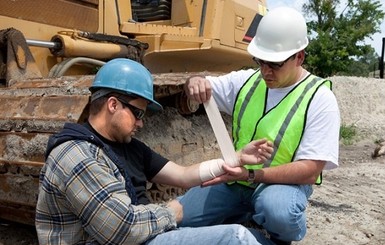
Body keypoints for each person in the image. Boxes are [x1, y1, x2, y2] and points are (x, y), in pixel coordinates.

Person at [35, 58, 274, 245]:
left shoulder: (128, 146)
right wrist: (172, 211)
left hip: (140, 231)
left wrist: (235, 159)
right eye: (138, 113)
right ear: (113, 105)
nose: (141, 123)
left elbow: (182, 175)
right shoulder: (77, 156)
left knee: (223, 206)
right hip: (122, 239)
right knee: (235, 238)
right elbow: (122, 230)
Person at [177, 6, 341, 245]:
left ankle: (278, 239)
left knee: (279, 211)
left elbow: (311, 170)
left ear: (299, 57)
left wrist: (253, 175)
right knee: (183, 217)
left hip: (281, 187)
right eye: (260, 61)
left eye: (274, 64)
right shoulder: (248, 81)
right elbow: (202, 84)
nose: (265, 70)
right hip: (235, 181)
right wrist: (194, 82)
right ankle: (245, 214)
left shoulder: (319, 99)